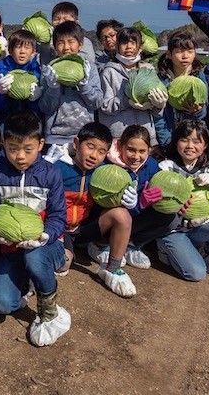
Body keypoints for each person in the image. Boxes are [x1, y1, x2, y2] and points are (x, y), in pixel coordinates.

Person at [0, 110, 70, 347]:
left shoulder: (51, 174)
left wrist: (44, 236)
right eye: (12, 148)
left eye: (28, 149)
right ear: (4, 144)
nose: (20, 156)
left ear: (41, 144)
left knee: (34, 257)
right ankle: (28, 282)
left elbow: (60, 216)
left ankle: (50, 312)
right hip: (10, 250)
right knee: (1, 304)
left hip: (47, 246)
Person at [50, 123, 138, 298]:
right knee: (63, 264)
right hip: (59, 230)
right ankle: (65, 251)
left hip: (84, 228)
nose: (94, 156)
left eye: (101, 151)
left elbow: (129, 178)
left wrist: (131, 200)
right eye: (90, 147)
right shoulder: (57, 167)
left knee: (122, 215)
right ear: (76, 143)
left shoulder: (104, 172)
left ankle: (112, 268)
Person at [156, 120, 209, 280]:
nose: (190, 146)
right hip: (172, 230)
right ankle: (165, 250)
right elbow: (159, 209)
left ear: (205, 145)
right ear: (176, 142)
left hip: (198, 228)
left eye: (197, 141)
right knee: (196, 274)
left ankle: (203, 252)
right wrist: (188, 223)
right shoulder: (166, 167)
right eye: (184, 140)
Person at [39, 20, 102, 162]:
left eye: (71, 41)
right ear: (54, 46)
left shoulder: (89, 68)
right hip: (55, 139)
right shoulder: (50, 70)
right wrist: (53, 88)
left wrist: (84, 86)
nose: (66, 47)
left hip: (84, 138)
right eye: (60, 42)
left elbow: (96, 103)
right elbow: (45, 107)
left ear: (80, 45)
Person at [107, 125, 165, 270]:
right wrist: (136, 206)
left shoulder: (152, 165)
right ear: (120, 146)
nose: (136, 156)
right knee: (120, 215)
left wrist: (179, 200)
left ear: (149, 150)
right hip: (109, 218)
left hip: (135, 215)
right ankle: (101, 244)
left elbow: (158, 193)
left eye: (142, 151)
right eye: (131, 149)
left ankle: (130, 245)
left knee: (171, 216)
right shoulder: (108, 165)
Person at [98, 26, 168, 146]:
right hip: (118, 136)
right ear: (117, 46)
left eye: (133, 43)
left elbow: (156, 111)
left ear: (140, 48)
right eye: (124, 43)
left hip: (144, 136)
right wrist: (127, 102)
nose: (129, 47)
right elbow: (105, 105)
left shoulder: (149, 70)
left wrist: (159, 106)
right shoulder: (109, 72)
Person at [155, 29, 207, 146]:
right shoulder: (161, 79)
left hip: (192, 140)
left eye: (190, 51)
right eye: (179, 51)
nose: (185, 56)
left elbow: (204, 111)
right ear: (169, 54)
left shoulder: (199, 77)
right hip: (167, 136)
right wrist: (166, 142)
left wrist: (197, 111)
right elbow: (158, 114)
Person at [0, 29, 42, 123]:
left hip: (29, 123)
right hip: (4, 122)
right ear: (10, 50)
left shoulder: (37, 72)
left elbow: (40, 110)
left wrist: (34, 101)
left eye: (27, 47)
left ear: (33, 52)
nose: (22, 51)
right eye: (18, 47)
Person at [38, 1, 95, 65]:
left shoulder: (85, 42)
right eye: (56, 19)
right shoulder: (46, 44)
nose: (60, 22)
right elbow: (44, 65)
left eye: (66, 20)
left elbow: (89, 61)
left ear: (76, 22)